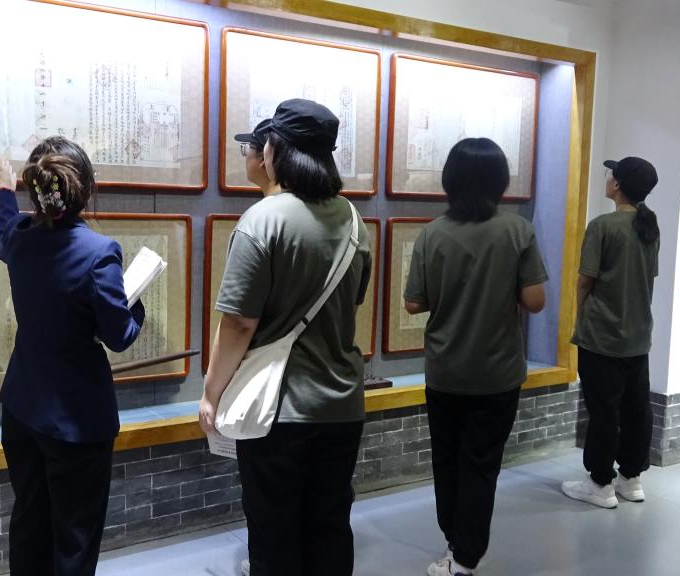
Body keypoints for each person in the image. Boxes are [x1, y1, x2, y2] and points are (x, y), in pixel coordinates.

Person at [199, 99, 372, 576]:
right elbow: (352, 303)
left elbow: (239, 323)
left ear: (275, 150)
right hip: (342, 404)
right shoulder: (353, 220)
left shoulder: (263, 220)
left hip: (278, 411)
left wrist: (212, 392)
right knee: (330, 525)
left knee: (274, 531)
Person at [0, 136, 146, 576]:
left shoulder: (19, 239)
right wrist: (135, 305)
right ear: (88, 190)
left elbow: (3, 228)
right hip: (76, 423)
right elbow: (119, 335)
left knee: (29, 519)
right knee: (74, 537)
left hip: (21, 409)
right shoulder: (99, 253)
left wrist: (4, 188)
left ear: (35, 190)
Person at [404, 138, 548, 576]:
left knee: (447, 460)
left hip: (445, 370)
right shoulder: (517, 230)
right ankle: (466, 556)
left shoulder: (433, 233)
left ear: (450, 180)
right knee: (481, 465)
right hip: (497, 373)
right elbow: (536, 301)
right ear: (499, 181)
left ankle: (456, 543)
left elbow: (413, 303)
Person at [562, 157, 660, 509]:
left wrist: (580, 317)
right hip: (638, 335)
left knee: (603, 412)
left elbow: (585, 280)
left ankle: (600, 483)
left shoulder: (602, 226)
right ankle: (631, 478)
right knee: (636, 409)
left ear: (617, 185)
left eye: (610, 175)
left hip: (602, 336)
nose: (607, 178)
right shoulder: (650, 226)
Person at [234, 118, 281, 196]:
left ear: (263, 159)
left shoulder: (271, 203)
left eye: (249, 147)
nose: (246, 155)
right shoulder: (295, 199)